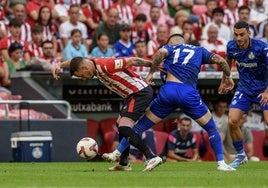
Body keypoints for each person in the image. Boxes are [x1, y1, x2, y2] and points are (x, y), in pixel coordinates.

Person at [102, 33, 236, 171]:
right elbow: (221, 60)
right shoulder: (199, 50)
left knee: (138, 127)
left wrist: (150, 74)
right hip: (188, 94)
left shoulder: (170, 51)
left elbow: (160, 52)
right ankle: (221, 163)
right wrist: (228, 77)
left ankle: (116, 153)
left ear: (172, 42)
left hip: (168, 92)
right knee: (212, 128)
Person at [52, 56, 162, 171]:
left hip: (139, 93)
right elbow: (75, 61)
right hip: (132, 95)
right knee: (120, 126)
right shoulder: (91, 63)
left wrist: (154, 65)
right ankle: (124, 163)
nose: (83, 79)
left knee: (124, 127)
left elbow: (132, 60)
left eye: (81, 75)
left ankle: (151, 157)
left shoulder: (106, 64)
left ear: (85, 68)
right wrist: (60, 65)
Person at [222, 20, 268, 168]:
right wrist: (226, 78)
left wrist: (267, 92)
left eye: (242, 34)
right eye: (236, 35)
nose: (238, 38)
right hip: (245, 89)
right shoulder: (231, 46)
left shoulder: (261, 48)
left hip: (263, 89)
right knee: (232, 121)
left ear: (249, 32)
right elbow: (227, 61)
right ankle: (241, 156)